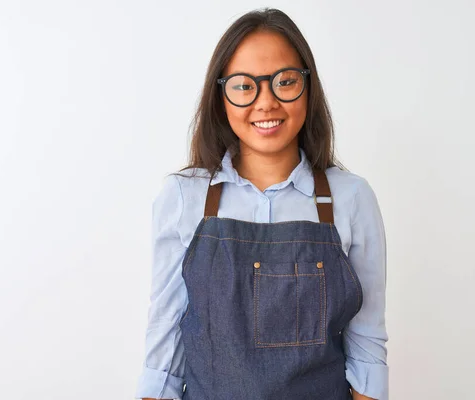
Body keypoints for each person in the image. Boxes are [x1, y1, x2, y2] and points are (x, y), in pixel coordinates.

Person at [135, 8, 388, 400]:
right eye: (244, 86)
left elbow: (367, 346)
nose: (266, 102)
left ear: (308, 87)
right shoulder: (182, 197)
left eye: (284, 82)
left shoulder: (352, 198)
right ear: (221, 97)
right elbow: (165, 343)